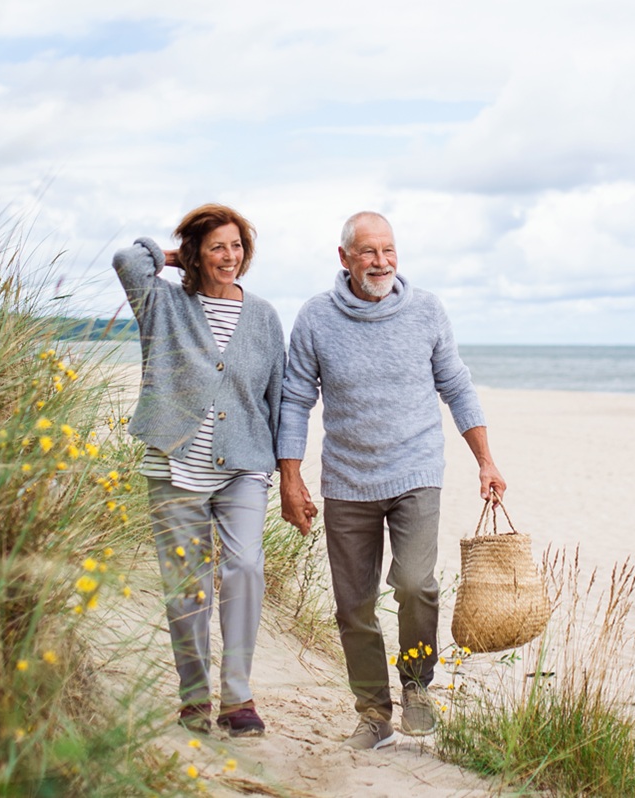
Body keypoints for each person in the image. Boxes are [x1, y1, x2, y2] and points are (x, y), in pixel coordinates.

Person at [277, 210, 505, 751]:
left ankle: (417, 687)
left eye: (389, 251)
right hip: (349, 479)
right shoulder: (315, 317)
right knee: (353, 604)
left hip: (416, 472)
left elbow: (456, 384)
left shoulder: (426, 310)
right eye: (368, 252)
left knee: (414, 583)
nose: (381, 262)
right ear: (344, 258)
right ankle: (374, 714)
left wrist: (486, 460)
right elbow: (294, 399)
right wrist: (291, 478)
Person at [113, 204, 286, 738]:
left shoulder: (262, 316)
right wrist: (169, 257)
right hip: (173, 461)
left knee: (245, 569)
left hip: (243, 465)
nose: (229, 257)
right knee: (186, 586)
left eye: (236, 246)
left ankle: (238, 697)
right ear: (195, 253)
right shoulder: (163, 303)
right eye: (217, 247)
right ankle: (194, 698)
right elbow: (126, 260)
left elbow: (276, 397)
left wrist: (287, 470)